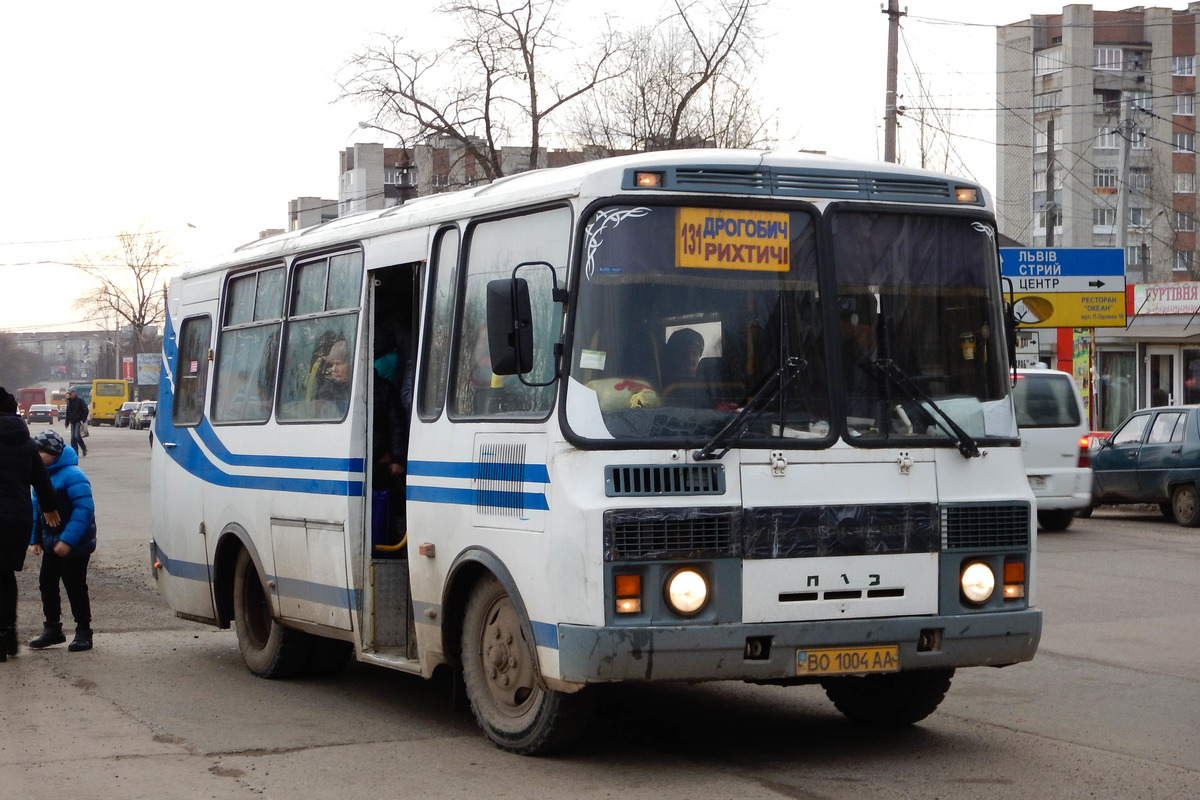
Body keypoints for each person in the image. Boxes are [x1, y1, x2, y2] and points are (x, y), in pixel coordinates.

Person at [0, 387, 60, 662]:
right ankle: (7, 633)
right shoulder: (24, 442)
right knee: (4, 575)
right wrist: (49, 509)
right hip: (16, 519)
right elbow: (42, 479)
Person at [28, 429, 96, 652]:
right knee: (47, 584)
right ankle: (53, 629)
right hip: (51, 544)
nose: (36, 455)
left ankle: (84, 632)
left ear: (54, 454)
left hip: (75, 546)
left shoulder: (73, 475)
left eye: (40, 451)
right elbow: (37, 511)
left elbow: (84, 511)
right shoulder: (41, 476)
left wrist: (68, 540)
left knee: (75, 586)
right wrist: (35, 539)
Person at [314, 338, 352, 416]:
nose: (333, 369)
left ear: (351, 364)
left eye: (338, 364)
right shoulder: (326, 391)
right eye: (332, 365)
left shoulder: (370, 390)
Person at [62, 388, 88, 457]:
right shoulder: (69, 402)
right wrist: (66, 422)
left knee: (76, 436)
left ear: (74, 393)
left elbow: (85, 410)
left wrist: (82, 419)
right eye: (69, 394)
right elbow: (68, 412)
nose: (70, 395)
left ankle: (84, 448)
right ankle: (75, 453)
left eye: (70, 394)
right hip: (72, 421)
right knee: (73, 438)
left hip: (78, 421)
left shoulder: (80, 401)